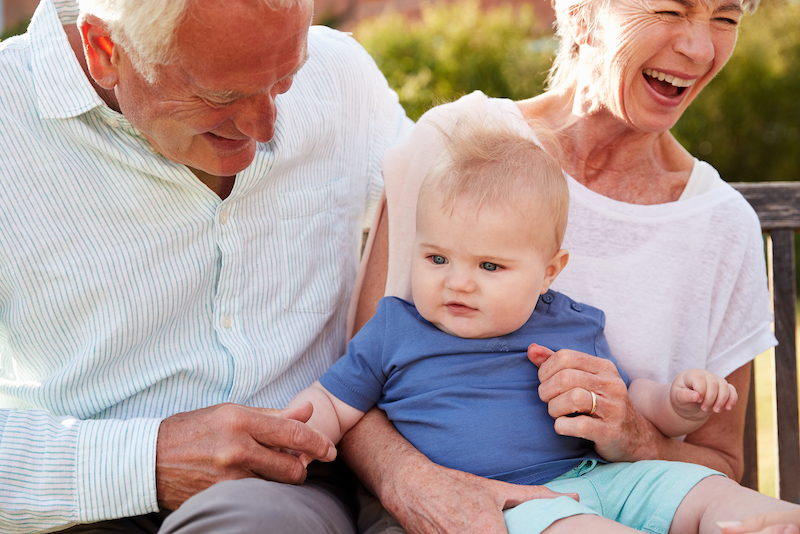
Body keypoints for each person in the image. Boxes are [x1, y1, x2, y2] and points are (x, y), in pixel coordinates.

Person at [333, 0, 782, 531]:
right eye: (667, 9)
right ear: (579, 14)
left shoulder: (723, 223)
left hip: (631, 499)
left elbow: (723, 466)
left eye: (725, 19)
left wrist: (638, 436)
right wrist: (418, 484)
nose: (700, 48)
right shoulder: (456, 148)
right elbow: (358, 387)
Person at [0, 0, 411, 531]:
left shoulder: (344, 76)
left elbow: (445, 216)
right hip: (66, 509)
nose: (265, 128)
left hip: (287, 497)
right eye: (222, 95)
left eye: (286, 81)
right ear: (105, 50)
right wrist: (144, 461)